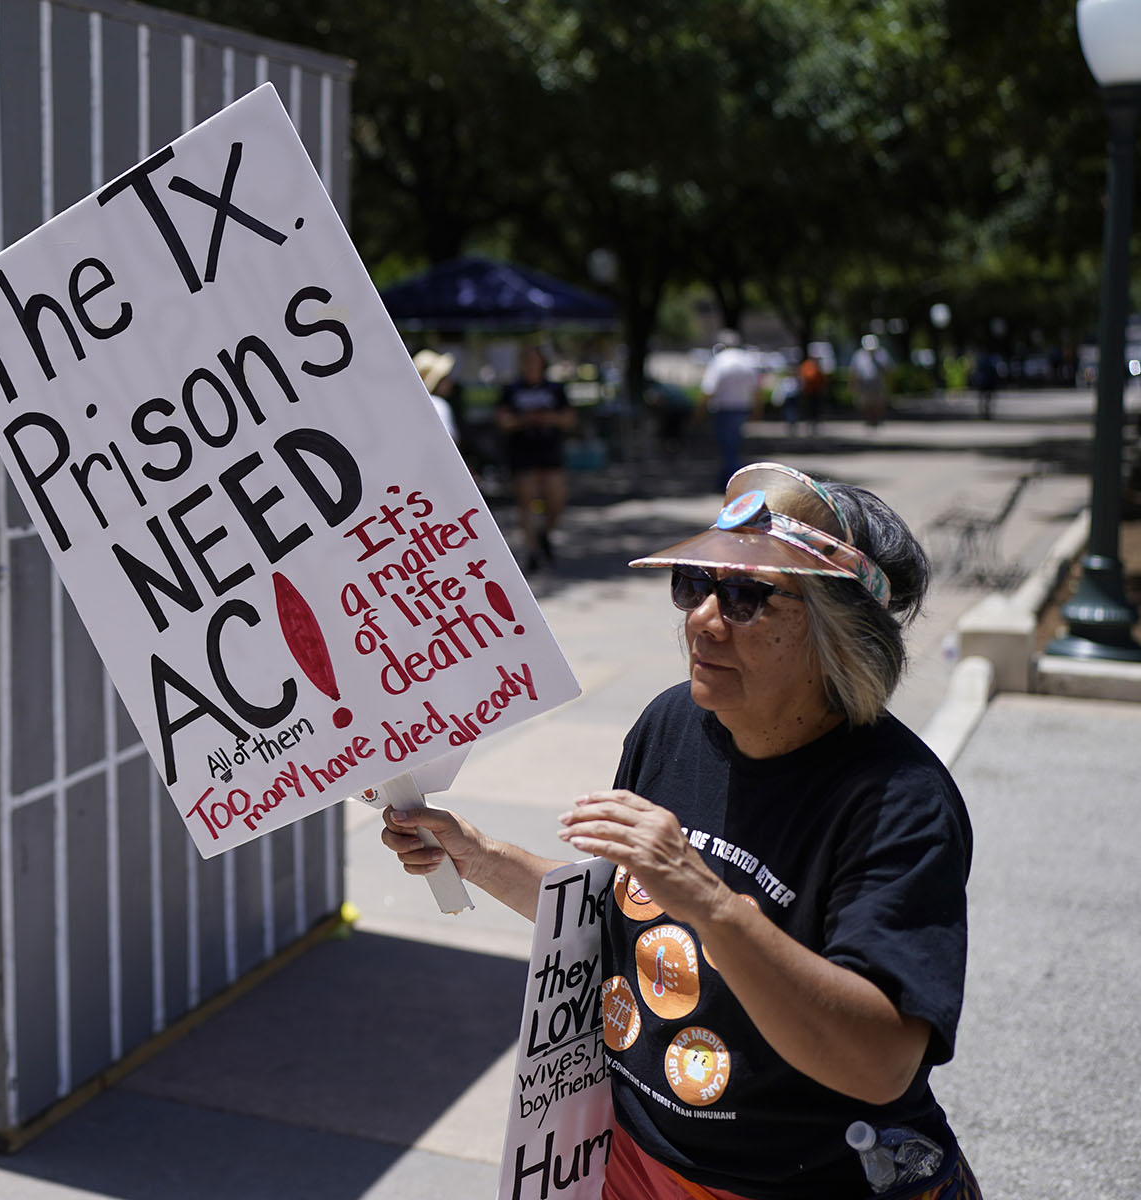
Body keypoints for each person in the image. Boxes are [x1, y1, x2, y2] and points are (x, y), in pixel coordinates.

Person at [381, 462, 979, 1200]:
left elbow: (881, 1062)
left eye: (745, 596)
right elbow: (620, 917)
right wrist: (479, 857)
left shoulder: (900, 800)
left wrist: (712, 903)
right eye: (693, 584)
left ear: (837, 635)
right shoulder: (673, 722)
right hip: (632, 1161)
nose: (700, 617)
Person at [498, 346, 574, 570]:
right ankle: (531, 550)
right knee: (527, 504)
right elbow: (503, 421)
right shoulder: (512, 390)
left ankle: (544, 534)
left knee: (556, 500)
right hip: (523, 453)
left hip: (550, 453)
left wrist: (548, 418)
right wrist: (525, 419)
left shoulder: (555, 389)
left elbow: (569, 419)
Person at [700, 333, 760, 489]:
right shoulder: (747, 360)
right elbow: (756, 389)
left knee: (726, 446)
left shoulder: (719, 360)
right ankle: (727, 477)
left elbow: (709, 389)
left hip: (723, 408)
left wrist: (699, 411)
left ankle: (731, 481)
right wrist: (757, 410)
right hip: (742, 408)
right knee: (734, 444)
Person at [413, 347, 460, 444]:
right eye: (444, 377)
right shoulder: (439, 405)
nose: (449, 381)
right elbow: (449, 444)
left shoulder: (412, 405)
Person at [850, 334, 888, 427]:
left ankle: (877, 420)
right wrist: (853, 384)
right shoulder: (858, 355)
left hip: (878, 383)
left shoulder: (882, 354)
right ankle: (869, 420)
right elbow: (854, 371)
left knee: (878, 402)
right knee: (866, 403)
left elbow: (888, 369)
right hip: (864, 384)